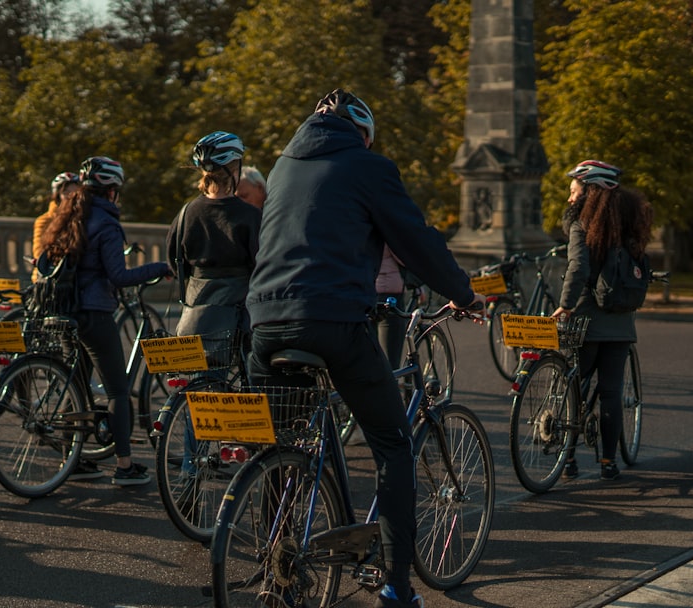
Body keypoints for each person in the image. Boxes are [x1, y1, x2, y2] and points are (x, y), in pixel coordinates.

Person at [245, 88, 483, 608]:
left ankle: (277, 562)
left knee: (278, 450)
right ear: (363, 132)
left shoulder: (283, 166)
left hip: (262, 322)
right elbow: (415, 239)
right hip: (331, 320)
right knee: (393, 445)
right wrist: (464, 294)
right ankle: (397, 586)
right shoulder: (367, 166)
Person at [37, 155, 171, 486]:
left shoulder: (68, 217)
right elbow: (119, 276)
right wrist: (159, 268)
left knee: (78, 386)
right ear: (112, 191)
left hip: (65, 311)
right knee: (118, 390)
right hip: (95, 314)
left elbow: (42, 264)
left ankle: (75, 458)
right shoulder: (107, 224)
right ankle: (125, 466)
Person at [551, 159, 654, 481]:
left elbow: (578, 269)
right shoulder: (630, 230)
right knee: (611, 393)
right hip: (621, 323)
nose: (570, 198)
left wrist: (565, 305)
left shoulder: (583, 226)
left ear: (589, 192)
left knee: (574, 387)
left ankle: (567, 460)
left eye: (574, 191)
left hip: (584, 320)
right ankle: (609, 462)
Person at [167, 131, 261, 353]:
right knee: (254, 374)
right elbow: (262, 265)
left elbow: (175, 263)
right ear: (235, 169)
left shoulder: (185, 213)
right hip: (240, 318)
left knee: (203, 379)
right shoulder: (250, 215)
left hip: (197, 314)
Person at [33, 171, 79, 261]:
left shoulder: (82, 217)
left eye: (75, 192)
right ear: (57, 195)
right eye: (66, 192)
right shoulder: (44, 221)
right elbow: (38, 253)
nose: (71, 196)